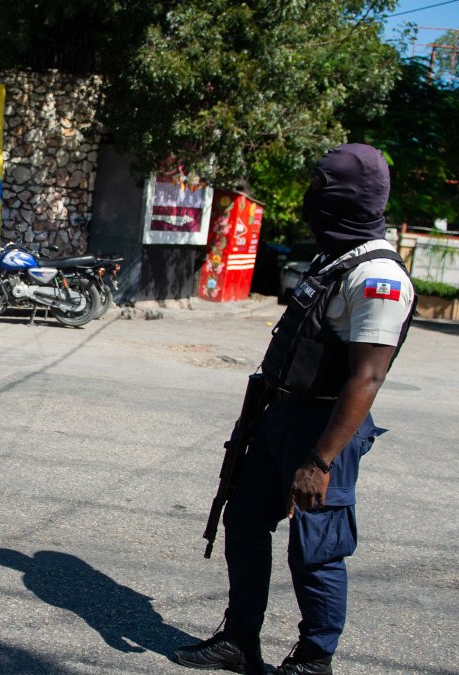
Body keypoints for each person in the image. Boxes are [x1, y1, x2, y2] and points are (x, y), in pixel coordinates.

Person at [174, 144, 415, 675]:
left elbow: (367, 375)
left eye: (319, 189)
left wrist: (320, 460)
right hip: (277, 416)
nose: (309, 200)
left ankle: (314, 658)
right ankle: (240, 640)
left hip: (325, 428)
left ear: (347, 198)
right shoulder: (336, 257)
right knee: (244, 521)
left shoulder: (380, 278)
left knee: (317, 550)